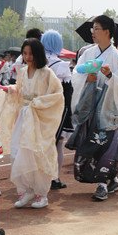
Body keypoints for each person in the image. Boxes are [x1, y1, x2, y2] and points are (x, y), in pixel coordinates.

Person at [70, 15, 118, 201]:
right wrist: (86, 78)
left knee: (106, 144)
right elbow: (76, 73)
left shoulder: (117, 57)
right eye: (93, 29)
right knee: (91, 142)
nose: (93, 32)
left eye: (96, 28)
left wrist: (110, 75)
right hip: (90, 105)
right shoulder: (88, 53)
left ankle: (102, 184)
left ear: (107, 32)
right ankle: (111, 179)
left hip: (108, 107)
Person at [0, 38, 64, 209]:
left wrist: (37, 103)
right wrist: (10, 90)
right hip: (24, 118)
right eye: (25, 53)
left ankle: (41, 194)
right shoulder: (22, 71)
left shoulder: (47, 73)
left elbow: (57, 95)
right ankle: (26, 190)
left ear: (38, 54)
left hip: (39, 119)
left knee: (37, 154)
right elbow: (20, 91)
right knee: (18, 152)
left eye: (31, 53)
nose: (28, 57)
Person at [40, 29, 73, 190]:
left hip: (39, 109)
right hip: (57, 110)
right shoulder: (61, 65)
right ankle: (55, 178)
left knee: (41, 144)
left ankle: (41, 177)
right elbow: (68, 92)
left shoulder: (36, 62)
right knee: (58, 144)